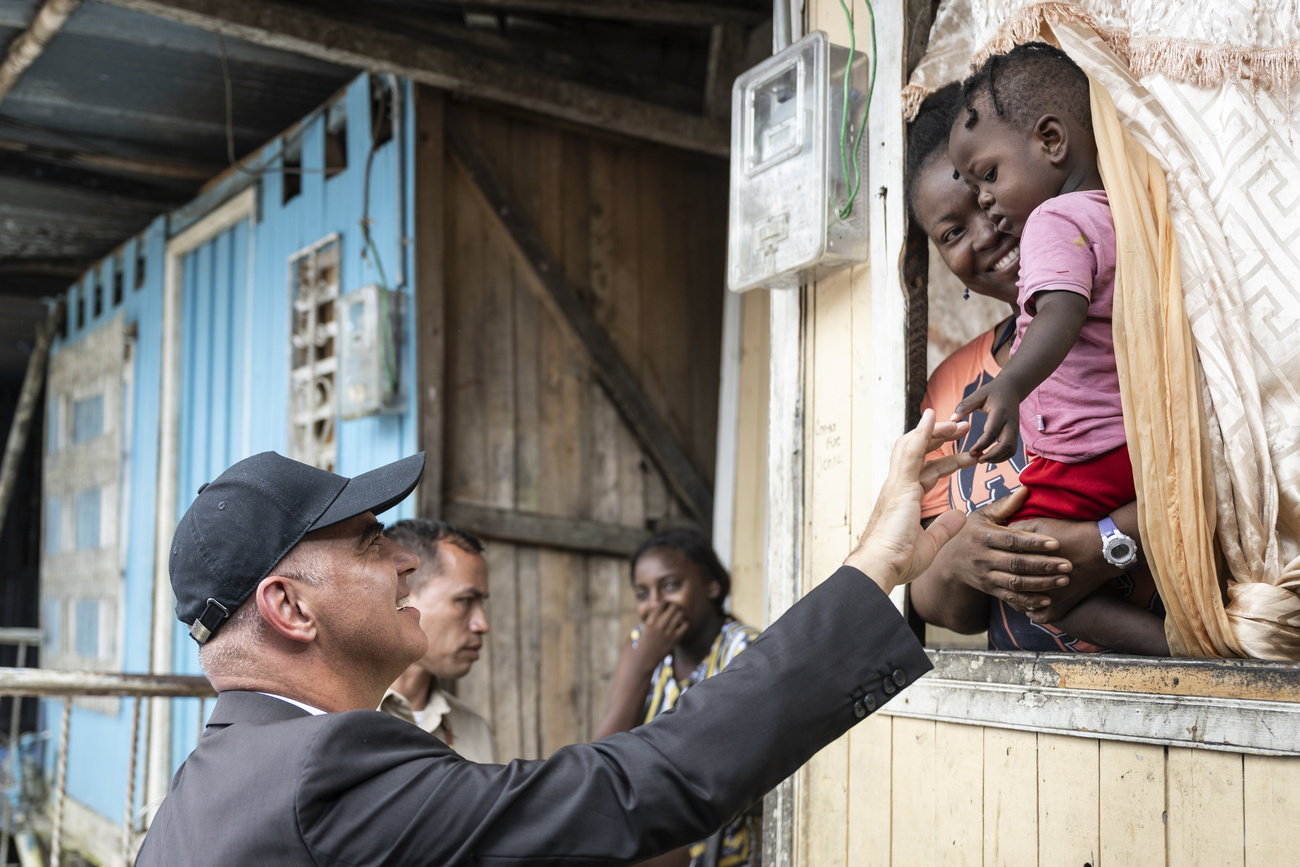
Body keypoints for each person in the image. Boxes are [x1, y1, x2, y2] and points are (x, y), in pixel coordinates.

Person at [136, 410, 973, 866]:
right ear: (289, 608)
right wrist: (876, 564)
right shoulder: (324, 769)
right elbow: (636, 786)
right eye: (367, 541)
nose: (400, 558)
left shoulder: (197, 794)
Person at [906, 81, 1167, 655]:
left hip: (1196, 709)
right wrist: (961, 561)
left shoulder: (1147, 332)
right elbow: (937, 607)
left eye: (989, 189)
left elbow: (1217, 485)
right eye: (952, 232)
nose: (990, 225)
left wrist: (1103, 543)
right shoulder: (952, 388)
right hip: (1033, 721)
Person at [594, 528, 761, 867]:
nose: (655, 605)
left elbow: (726, 772)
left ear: (711, 585)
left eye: (670, 586)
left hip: (720, 835)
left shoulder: (743, 651)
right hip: (658, 825)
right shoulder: (643, 651)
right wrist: (640, 667)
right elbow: (601, 767)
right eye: (643, 593)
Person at [378, 519, 496, 763]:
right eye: (464, 600)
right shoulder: (334, 714)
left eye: (481, 602)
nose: (481, 624)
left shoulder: (474, 730)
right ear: (403, 592)